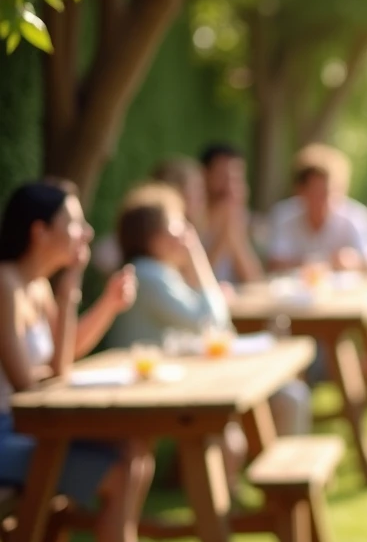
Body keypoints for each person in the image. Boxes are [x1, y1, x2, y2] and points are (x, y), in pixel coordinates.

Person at [106, 184, 310, 480]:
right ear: (153, 237)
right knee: (249, 422)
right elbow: (211, 321)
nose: (186, 233)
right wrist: (196, 256)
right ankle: (259, 491)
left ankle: (269, 484)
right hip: (153, 397)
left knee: (282, 400)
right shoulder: (150, 275)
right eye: (177, 225)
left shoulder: (154, 272)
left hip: (168, 387)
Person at [0, 181, 154, 542]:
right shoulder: (4, 285)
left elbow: (61, 361)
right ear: (39, 231)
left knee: (133, 446)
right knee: (120, 470)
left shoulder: (35, 285)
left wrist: (95, 299)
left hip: (24, 426)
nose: (86, 233)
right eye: (74, 224)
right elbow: (26, 388)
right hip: (8, 431)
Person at [267, 144, 367, 273]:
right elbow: (275, 263)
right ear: (300, 191)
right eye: (315, 193)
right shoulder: (284, 215)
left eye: (328, 193)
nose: (323, 201)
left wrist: (354, 261)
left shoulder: (356, 216)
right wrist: (319, 263)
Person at [199, 143, 263, 284]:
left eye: (236, 179)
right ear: (205, 175)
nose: (230, 186)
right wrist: (224, 235)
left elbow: (254, 280)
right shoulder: (192, 219)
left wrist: (234, 232)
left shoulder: (238, 218)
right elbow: (197, 281)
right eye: (222, 176)